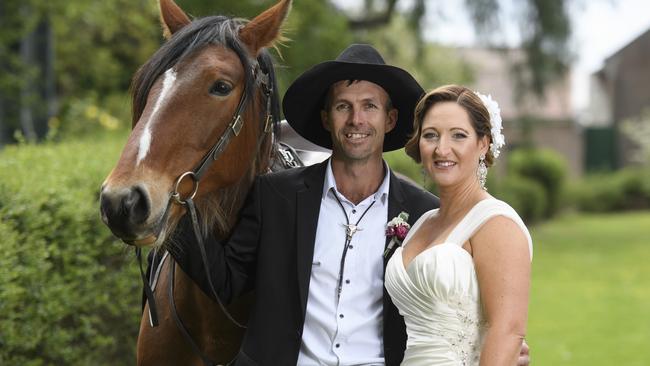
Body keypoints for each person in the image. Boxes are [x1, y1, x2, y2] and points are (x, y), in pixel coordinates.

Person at [174, 46, 530, 365]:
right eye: (343, 106)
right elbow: (225, 282)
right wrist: (170, 209)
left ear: (390, 120)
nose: (356, 120)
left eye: (369, 106)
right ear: (327, 118)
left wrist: (500, 346)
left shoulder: (424, 214)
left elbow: (470, 306)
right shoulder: (274, 195)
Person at [385, 85, 533, 365]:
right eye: (431, 135)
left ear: (483, 143)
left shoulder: (496, 224)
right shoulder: (423, 222)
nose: (442, 149)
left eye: (458, 135)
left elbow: (507, 331)